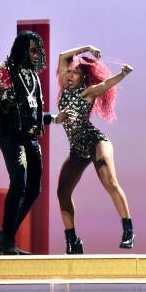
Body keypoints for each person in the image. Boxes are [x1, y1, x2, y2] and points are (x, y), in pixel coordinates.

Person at [47, 45, 134, 254]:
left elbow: (106, 84)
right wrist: (85, 48)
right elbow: (61, 56)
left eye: (76, 72)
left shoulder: (87, 92)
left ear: (83, 77)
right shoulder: (63, 86)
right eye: (69, 71)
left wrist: (122, 74)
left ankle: (128, 229)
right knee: (62, 192)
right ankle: (72, 240)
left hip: (96, 142)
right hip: (77, 149)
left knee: (109, 181)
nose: (70, 75)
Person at [0, 31, 47, 255]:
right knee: (18, 181)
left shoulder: (33, 76)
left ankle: (5, 237)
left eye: (38, 50)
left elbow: (33, 107)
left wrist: (50, 119)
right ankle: (7, 240)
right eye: (32, 49)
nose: (36, 54)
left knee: (34, 189)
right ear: (21, 49)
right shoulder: (1, 72)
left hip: (30, 135)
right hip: (10, 134)